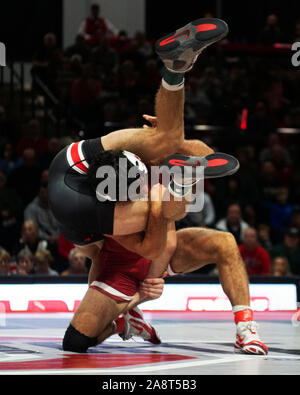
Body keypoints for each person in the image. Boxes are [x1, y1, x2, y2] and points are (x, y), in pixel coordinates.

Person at [61, 18, 267, 356]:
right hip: (125, 262)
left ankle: (246, 328)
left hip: (165, 249)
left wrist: (180, 141)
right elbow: (94, 244)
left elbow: (211, 159)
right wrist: (138, 296)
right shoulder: (118, 160)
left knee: (224, 242)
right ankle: (124, 322)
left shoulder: (172, 149)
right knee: (76, 342)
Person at [48, 17, 231, 249]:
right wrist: (168, 131)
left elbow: (153, 250)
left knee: (165, 206)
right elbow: (153, 250)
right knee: (178, 152)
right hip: (71, 168)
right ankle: (174, 72)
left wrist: (166, 133)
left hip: (76, 169)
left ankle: (175, 69)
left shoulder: (118, 215)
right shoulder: (100, 221)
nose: (148, 184)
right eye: (143, 181)